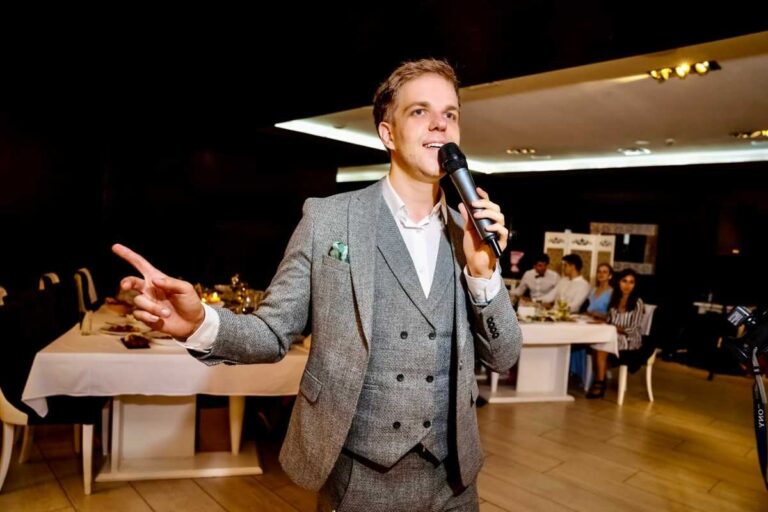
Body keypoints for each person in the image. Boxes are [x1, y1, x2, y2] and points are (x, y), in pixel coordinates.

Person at [113, 58, 521, 512]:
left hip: (456, 482)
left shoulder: (471, 233)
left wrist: (482, 274)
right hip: (360, 478)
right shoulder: (328, 220)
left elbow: (503, 357)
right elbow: (272, 333)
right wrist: (199, 324)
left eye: (450, 114)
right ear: (388, 133)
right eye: (420, 111)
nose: (440, 125)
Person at [587, 268, 644, 399]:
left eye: (631, 282)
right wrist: (602, 320)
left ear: (635, 285)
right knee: (596, 342)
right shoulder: (615, 299)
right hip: (614, 335)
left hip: (630, 340)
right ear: (619, 282)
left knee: (601, 347)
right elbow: (611, 320)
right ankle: (600, 381)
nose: (627, 285)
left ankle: (599, 384)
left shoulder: (637, 302)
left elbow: (633, 329)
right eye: (624, 281)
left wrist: (613, 327)